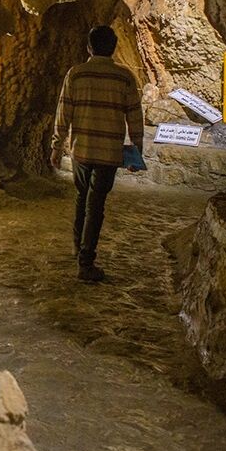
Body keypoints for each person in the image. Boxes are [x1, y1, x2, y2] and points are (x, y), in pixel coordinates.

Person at [50, 25, 144, 283]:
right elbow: (135, 118)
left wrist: (57, 147)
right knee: (96, 204)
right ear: (113, 48)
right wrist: (136, 153)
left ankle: (77, 247)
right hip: (108, 152)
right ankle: (86, 261)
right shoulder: (124, 78)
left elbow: (63, 113)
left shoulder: (76, 75)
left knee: (82, 198)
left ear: (89, 47)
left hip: (81, 149)